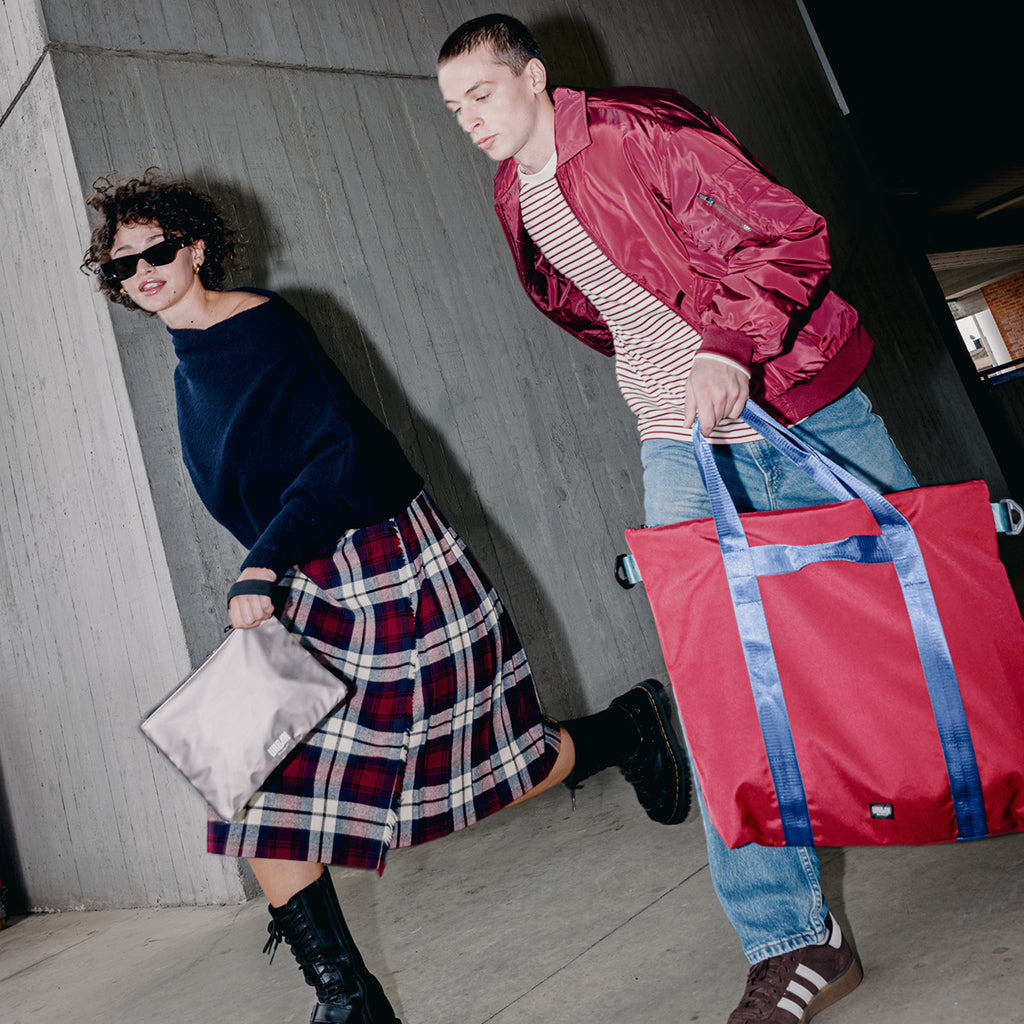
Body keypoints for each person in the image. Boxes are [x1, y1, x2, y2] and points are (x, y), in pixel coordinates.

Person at [81, 172, 689, 1024]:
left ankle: (624, 731)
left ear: (193, 248)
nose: (141, 271)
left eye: (155, 251)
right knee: (253, 781)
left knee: (470, 778)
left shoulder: (257, 329)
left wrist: (263, 566)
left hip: (383, 561)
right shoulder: (190, 366)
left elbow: (338, 458)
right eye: (122, 266)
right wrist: (276, 567)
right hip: (311, 572)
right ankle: (349, 1000)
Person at [436, 14, 921, 1024]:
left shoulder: (635, 130)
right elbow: (588, 305)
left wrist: (725, 345)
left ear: (532, 76)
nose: (468, 119)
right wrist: (665, 374)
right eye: (452, 108)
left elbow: (788, 230)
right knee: (716, 689)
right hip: (679, 439)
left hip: (794, 402)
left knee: (925, 624)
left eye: (481, 94)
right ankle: (794, 942)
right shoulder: (508, 192)